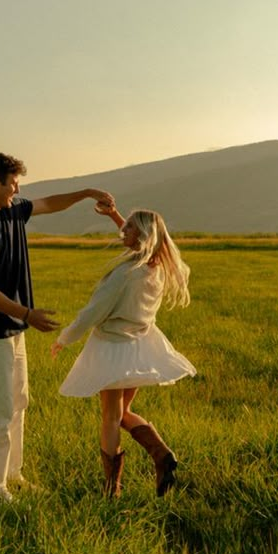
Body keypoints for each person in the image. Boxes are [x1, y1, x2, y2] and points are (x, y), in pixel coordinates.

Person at [0, 152, 114, 502]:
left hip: (15, 327)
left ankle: (13, 474)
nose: (17, 189)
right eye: (13, 183)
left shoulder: (10, 209)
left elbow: (48, 204)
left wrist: (87, 193)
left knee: (19, 400)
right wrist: (26, 313)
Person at [52, 202, 196, 498]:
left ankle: (111, 490)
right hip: (139, 346)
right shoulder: (156, 269)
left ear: (142, 235)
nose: (122, 229)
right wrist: (115, 216)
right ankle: (161, 455)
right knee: (122, 413)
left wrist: (64, 339)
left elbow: (93, 312)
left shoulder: (125, 274)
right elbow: (136, 237)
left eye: (129, 226)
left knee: (110, 418)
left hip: (112, 348)